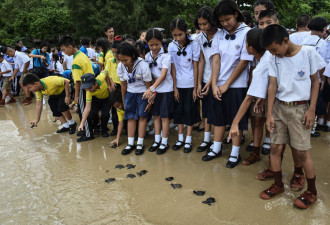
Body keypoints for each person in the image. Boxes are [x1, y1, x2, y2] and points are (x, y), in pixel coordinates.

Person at [260, 24, 325, 209]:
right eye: (270, 51)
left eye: (274, 49)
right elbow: (272, 85)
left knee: (302, 151)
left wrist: (311, 110)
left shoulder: (308, 53)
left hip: (300, 109)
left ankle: (312, 190)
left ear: (285, 41)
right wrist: (269, 114)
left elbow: (315, 82)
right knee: (275, 148)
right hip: (279, 108)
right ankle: (278, 184)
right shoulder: (273, 58)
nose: (273, 54)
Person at [202, 0, 253, 169]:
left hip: (237, 85)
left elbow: (244, 61)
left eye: (228, 19)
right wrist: (215, 84)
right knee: (218, 118)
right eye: (222, 21)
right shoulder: (220, 34)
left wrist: (227, 84)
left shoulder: (247, 32)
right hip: (219, 85)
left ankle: (235, 153)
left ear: (236, 14)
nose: (225, 23)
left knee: (235, 120)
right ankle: (216, 148)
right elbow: (216, 60)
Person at [168, 18, 201, 153]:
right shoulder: (171, 46)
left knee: (189, 111)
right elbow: (173, 68)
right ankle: (180, 138)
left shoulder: (194, 45)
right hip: (179, 85)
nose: (177, 38)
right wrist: (175, 88)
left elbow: (196, 66)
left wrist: (195, 87)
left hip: (190, 84)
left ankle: (188, 139)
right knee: (179, 112)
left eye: (180, 34)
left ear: (186, 32)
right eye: (175, 35)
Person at [117, 41, 152, 155]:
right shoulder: (121, 66)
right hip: (130, 93)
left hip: (143, 93)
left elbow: (148, 85)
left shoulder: (142, 65)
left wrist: (150, 99)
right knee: (130, 117)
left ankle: (140, 143)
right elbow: (123, 84)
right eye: (121, 60)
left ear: (132, 56)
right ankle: (130, 143)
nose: (123, 62)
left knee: (142, 116)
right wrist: (124, 100)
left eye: (125, 60)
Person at [143, 28, 175, 155]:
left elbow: (163, 75)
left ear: (161, 42)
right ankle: (157, 140)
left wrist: (151, 89)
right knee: (156, 115)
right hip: (155, 90)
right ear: (147, 44)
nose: (154, 47)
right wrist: (151, 91)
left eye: (157, 44)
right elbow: (149, 76)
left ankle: (164, 142)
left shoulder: (166, 56)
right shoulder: (147, 56)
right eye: (151, 45)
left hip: (166, 89)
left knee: (164, 117)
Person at [194, 6, 221, 153]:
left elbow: (219, 61)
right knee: (205, 111)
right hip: (204, 79)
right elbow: (201, 60)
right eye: (200, 25)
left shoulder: (221, 35)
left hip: (218, 79)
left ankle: (217, 141)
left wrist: (212, 81)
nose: (203, 27)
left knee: (216, 111)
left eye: (205, 24)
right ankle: (206, 139)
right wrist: (199, 83)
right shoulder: (199, 38)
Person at [58, 36, 95, 142]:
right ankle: (85, 130)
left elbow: (77, 81)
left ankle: (88, 134)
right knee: (84, 111)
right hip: (89, 83)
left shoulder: (75, 61)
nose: (64, 53)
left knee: (83, 111)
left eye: (64, 50)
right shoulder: (82, 55)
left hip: (84, 87)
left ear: (70, 47)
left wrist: (76, 97)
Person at [301, 17, 328, 134]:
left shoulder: (304, 40)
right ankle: (310, 128)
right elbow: (322, 64)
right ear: (323, 29)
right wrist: (322, 80)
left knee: (304, 102)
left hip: (302, 76)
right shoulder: (321, 43)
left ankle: (305, 126)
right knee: (313, 103)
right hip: (314, 78)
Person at [78, 73, 111, 138]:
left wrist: (109, 84)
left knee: (105, 115)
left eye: (90, 87)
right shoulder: (89, 92)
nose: (89, 90)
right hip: (96, 99)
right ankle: (97, 126)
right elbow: (87, 108)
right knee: (92, 113)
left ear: (95, 83)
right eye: (86, 88)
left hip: (106, 99)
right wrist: (82, 124)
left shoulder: (100, 78)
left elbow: (106, 72)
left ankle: (103, 129)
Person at [103, 35, 122, 137]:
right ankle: (116, 128)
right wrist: (110, 84)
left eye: (116, 52)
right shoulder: (110, 61)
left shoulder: (124, 61)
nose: (114, 55)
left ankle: (127, 129)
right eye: (113, 52)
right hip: (114, 89)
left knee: (125, 109)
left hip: (123, 88)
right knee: (115, 110)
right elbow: (106, 72)